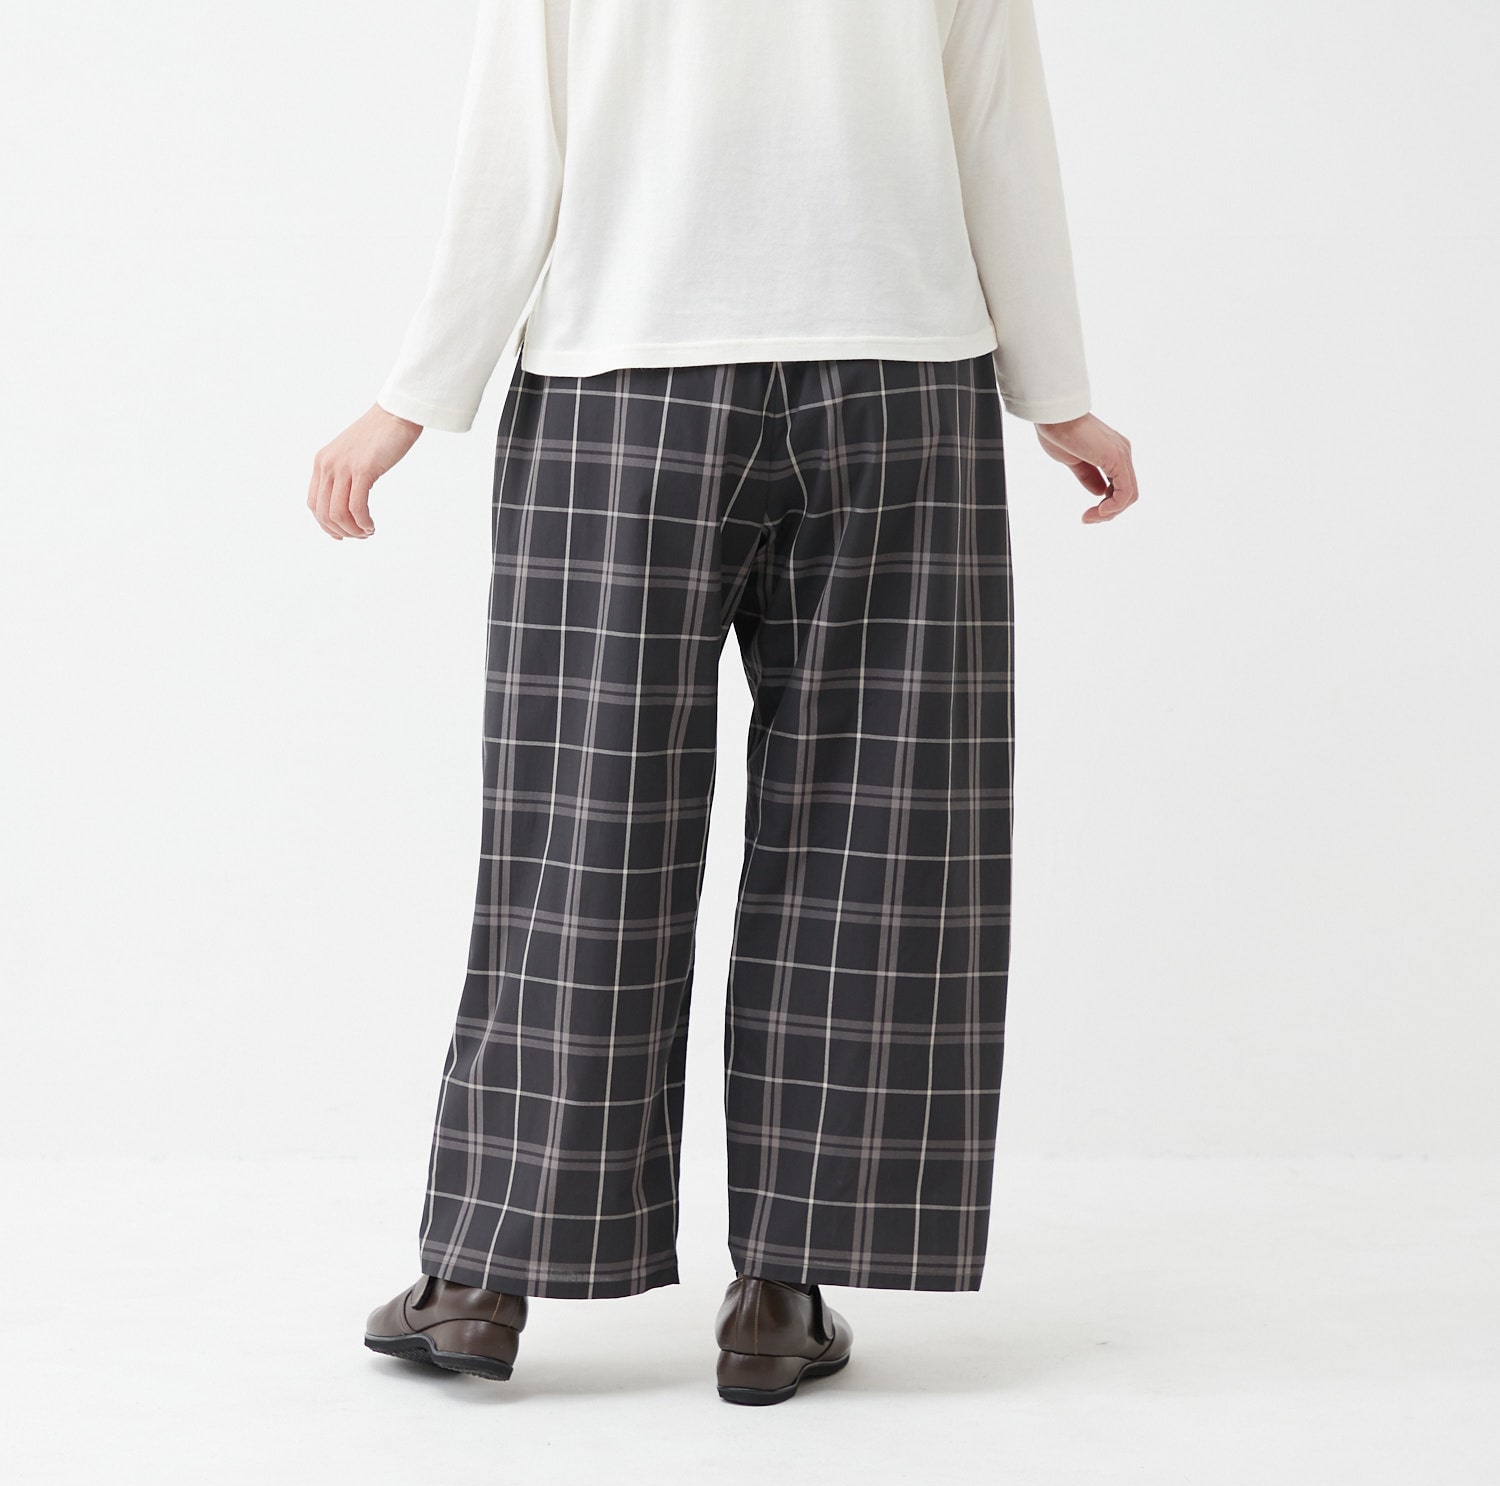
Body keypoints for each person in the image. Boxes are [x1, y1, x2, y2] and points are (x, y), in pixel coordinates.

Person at [308, 0, 1138, 1406]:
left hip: (627, 385)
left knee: (584, 830)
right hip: (898, 383)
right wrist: (1053, 387)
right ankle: (782, 1290)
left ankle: (485, 1275)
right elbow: (999, 131)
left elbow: (517, 142)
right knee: (876, 839)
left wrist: (413, 395)